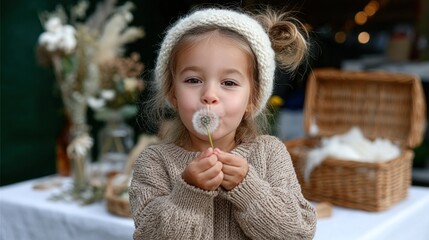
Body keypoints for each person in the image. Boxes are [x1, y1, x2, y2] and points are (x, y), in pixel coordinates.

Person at [130, 6, 317, 239]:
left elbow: (298, 233)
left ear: (252, 99)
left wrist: (249, 190)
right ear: (172, 94)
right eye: (193, 79)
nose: (209, 94)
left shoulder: (270, 153)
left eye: (229, 83)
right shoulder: (154, 162)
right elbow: (148, 235)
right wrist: (189, 194)